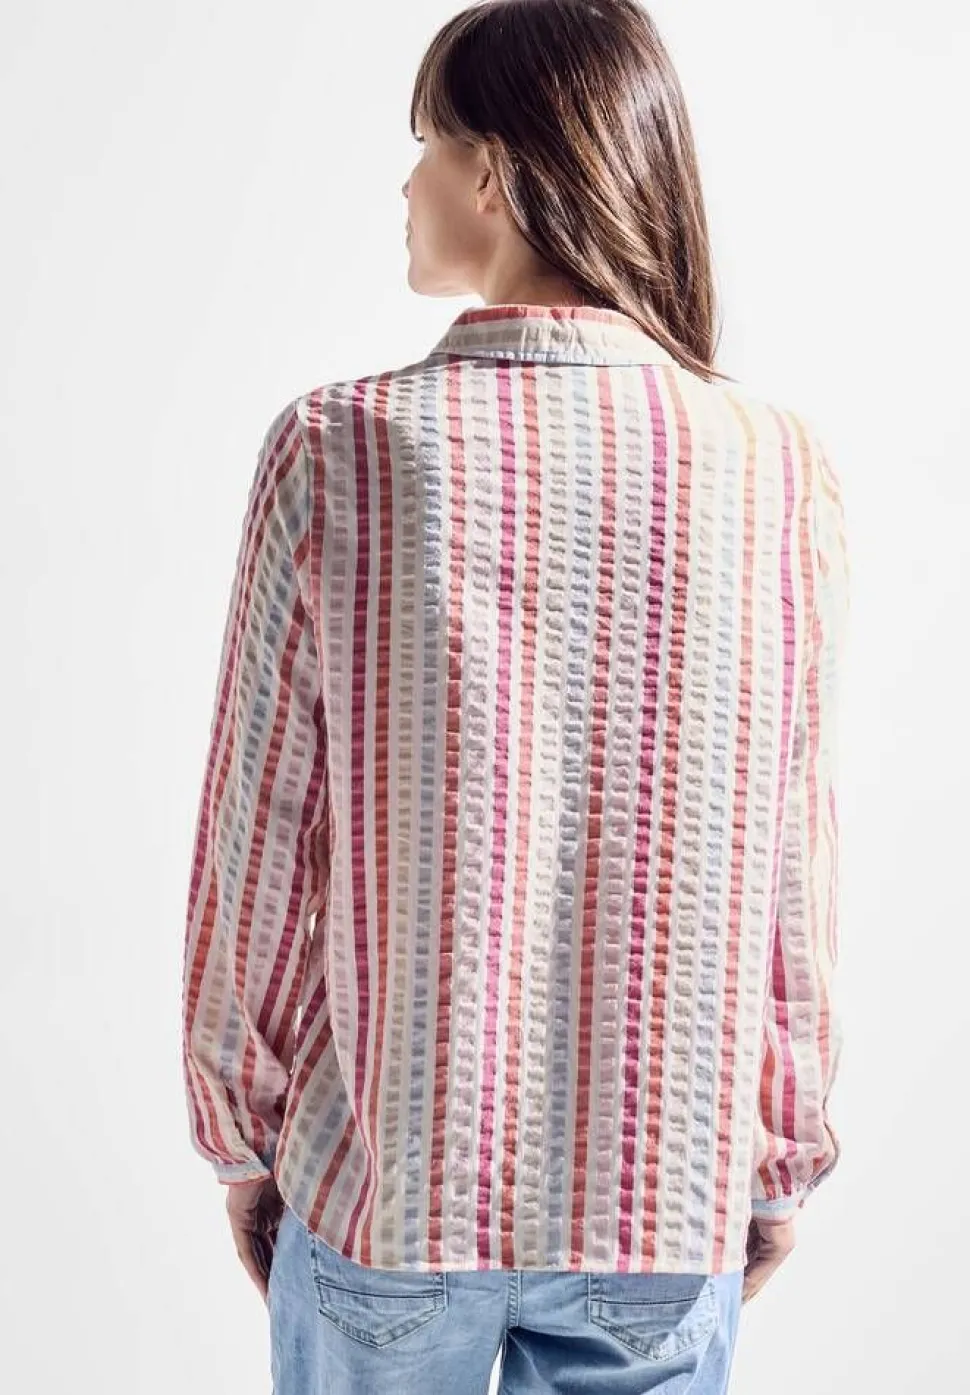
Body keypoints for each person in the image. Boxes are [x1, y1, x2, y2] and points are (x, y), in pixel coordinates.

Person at [179, 1, 850, 1391]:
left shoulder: (340, 445)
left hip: (386, 1184)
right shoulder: (773, 461)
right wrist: (779, 1151)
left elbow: (260, 840)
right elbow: (792, 852)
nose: (405, 181)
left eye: (424, 142)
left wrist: (241, 1135)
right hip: (661, 1202)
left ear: (489, 172)